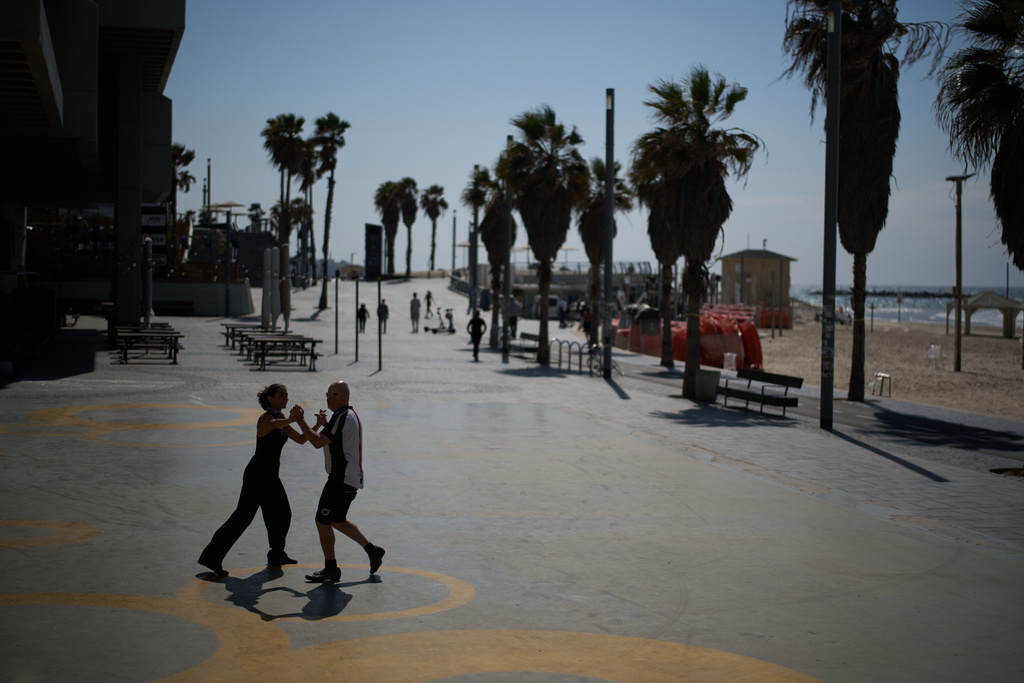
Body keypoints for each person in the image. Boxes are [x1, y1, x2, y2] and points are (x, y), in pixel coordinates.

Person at [198, 384, 325, 577]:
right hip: (257, 476)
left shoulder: (281, 418)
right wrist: (292, 418)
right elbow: (274, 426)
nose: (285, 399)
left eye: (287, 395)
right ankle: (211, 557)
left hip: (271, 477)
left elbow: (300, 438)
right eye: (281, 395)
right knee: (242, 518)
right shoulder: (266, 419)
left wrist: (315, 425)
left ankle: (276, 554)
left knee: (282, 514)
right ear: (270, 399)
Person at [295, 380, 385, 582]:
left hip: (340, 479)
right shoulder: (349, 415)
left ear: (335, 396)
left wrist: (300, 421)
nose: (326, 397)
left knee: (322, 520)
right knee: (337, 519)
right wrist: (325, 425)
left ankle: (331, 568)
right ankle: (373, 550)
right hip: (350, 479)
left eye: (328, 394)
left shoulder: (341, 416)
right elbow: (336, 439)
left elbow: (318, 442)